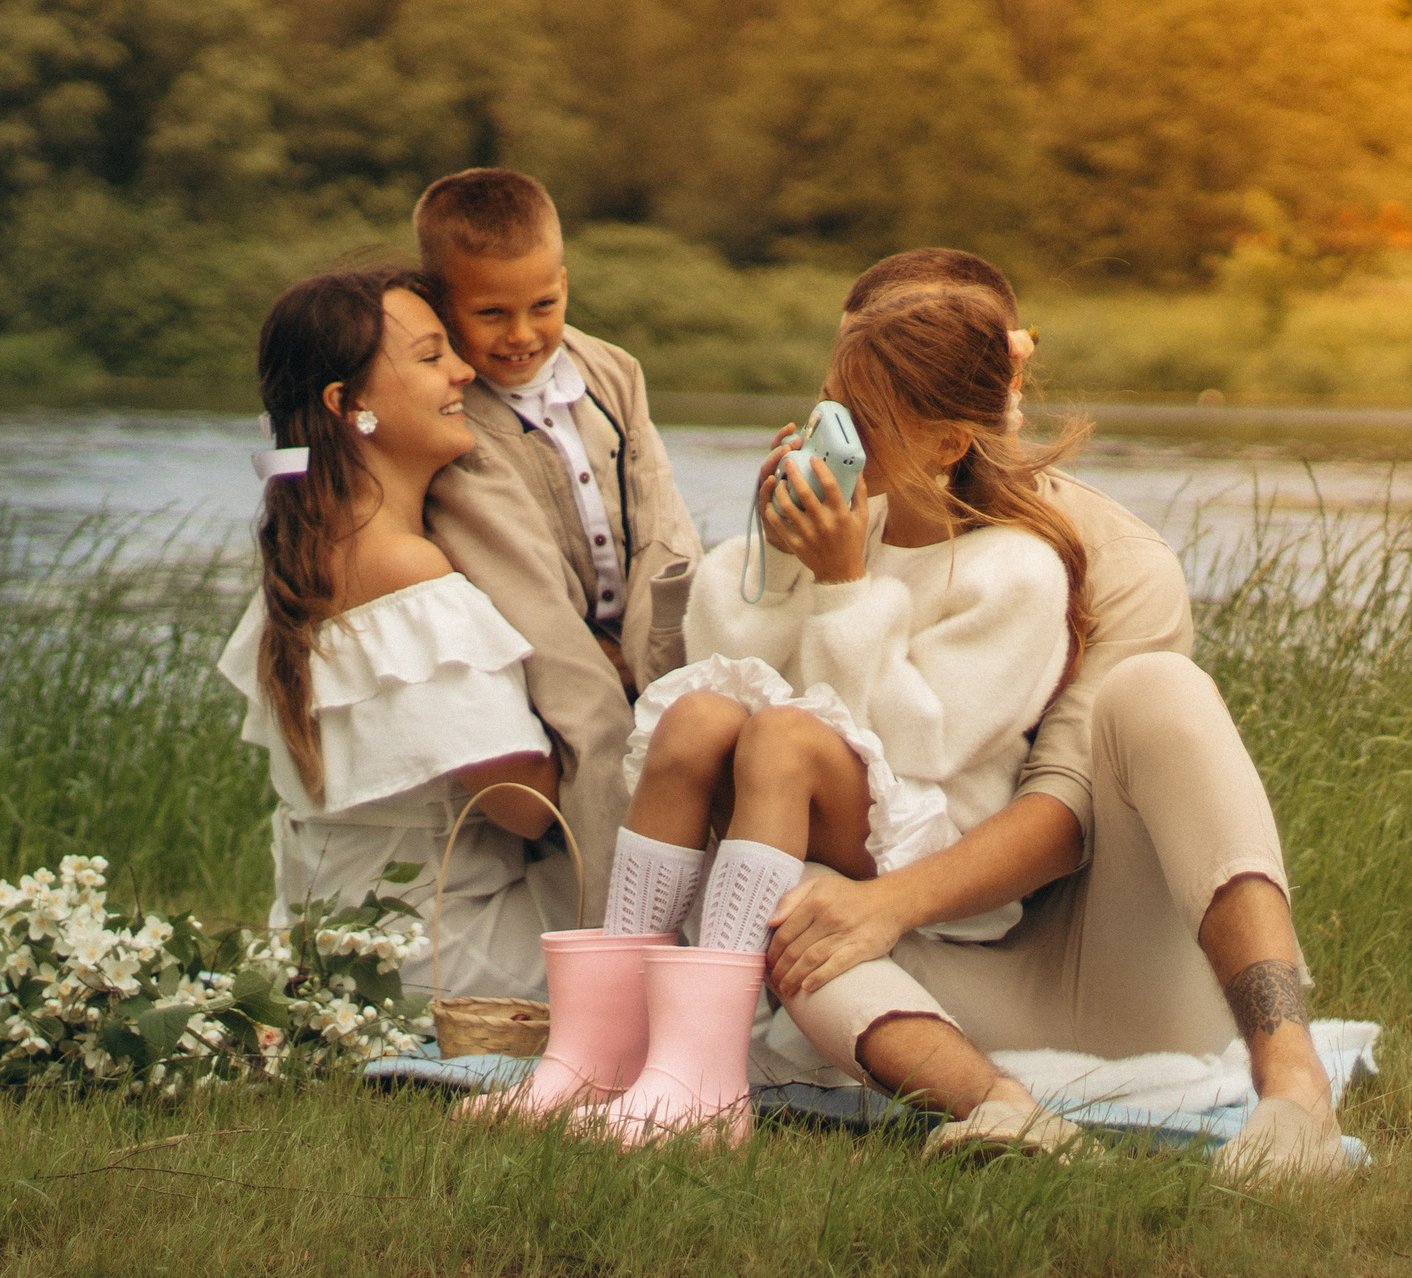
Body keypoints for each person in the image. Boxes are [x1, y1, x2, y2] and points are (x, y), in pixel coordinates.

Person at [760, 250, 1350, 1179]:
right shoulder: (822, 528)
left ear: (989, 388)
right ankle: (1007, 1115)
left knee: (1160, 690)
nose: (839, 426)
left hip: (1108, 970)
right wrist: (779, 572)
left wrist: (884, 905)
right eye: (839, 388)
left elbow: (1063, 815)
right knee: (781, 912)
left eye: (874, 399)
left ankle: (1295, 1087)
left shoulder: (1116, 559)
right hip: (928, 979)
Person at [501, 288, 1088, 1145]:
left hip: (935, 833)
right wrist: (779, 564)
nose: (833, 432)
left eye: (863, 418)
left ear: (948, 442)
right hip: (814, 796)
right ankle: (603, 1051)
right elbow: (729, 671)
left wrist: (847, 585)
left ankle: (704, 1079)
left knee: (781, 739)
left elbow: (923, 747)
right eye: (828, 403)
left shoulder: (1017, 571)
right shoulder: (854, 519)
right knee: (698, 716)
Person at [214, 267, 566, 998]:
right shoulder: (405, 570)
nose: (465, 372)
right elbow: (525, 806)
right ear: (349, 405)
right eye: (432, 357)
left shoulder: (303, 551)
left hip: (341, 940)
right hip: (438, 949)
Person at [416, 169, 702, 911]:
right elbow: (520, 586)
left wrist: (660, 659)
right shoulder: (457, 419)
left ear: (566, 283)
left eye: (544, 304)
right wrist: (607, 680)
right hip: (557, 647)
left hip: (640, 630)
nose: (522, 334)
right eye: (491, 313)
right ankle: (616, 942)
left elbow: (662, 522)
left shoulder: (613, 373)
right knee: (600, 739)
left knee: (706, 712)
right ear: (444, 306)